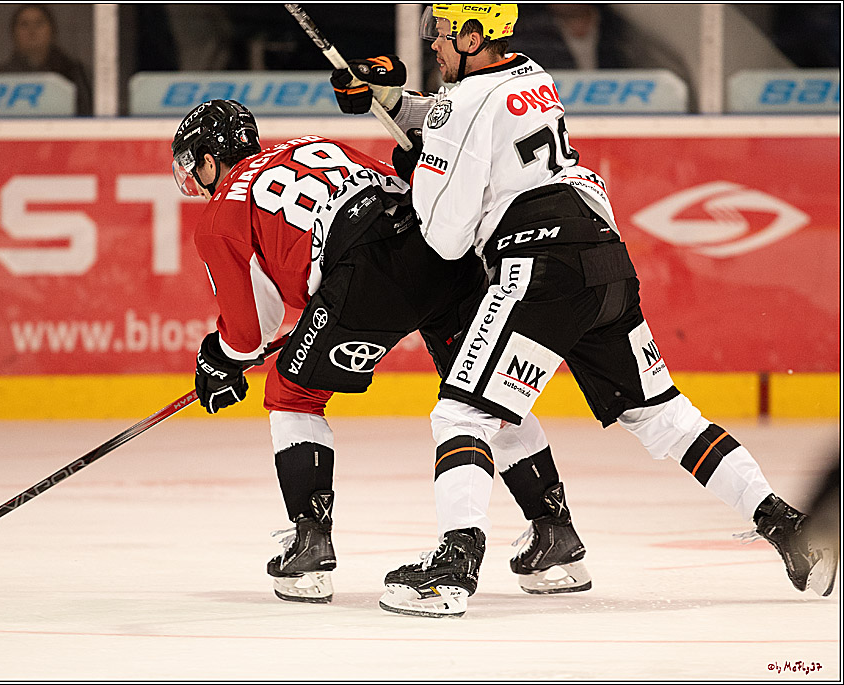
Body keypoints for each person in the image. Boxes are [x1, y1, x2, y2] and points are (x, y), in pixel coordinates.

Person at [331, 3, 839, 617]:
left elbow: (444, 237)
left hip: (540, 264)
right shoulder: (532, 75)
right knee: (665, 416)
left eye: (440, 32)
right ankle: (790, 529)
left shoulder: (461, 106)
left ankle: (453, 569)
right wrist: (397, 102)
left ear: (472, 36)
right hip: (602, 253)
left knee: (462, 412)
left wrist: (420, 170)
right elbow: (471, 118)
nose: (432, 43)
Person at [170, 99, 489, 605]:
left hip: (369, 272)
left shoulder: (221, 213)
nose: (196, 181)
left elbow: (250, 334)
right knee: (483, 393)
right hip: (441, 250)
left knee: (291, 393)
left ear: (209, 160)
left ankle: (310, 544)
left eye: (194, 166)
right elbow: (406, 187)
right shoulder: (314, 145)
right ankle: (554, 533)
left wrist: (219, 358)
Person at [0, 4, 93, 116]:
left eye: (39, 23)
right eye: (24, 24)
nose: (32, 30)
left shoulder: (75, 74)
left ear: (52, 31)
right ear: (13, 33)